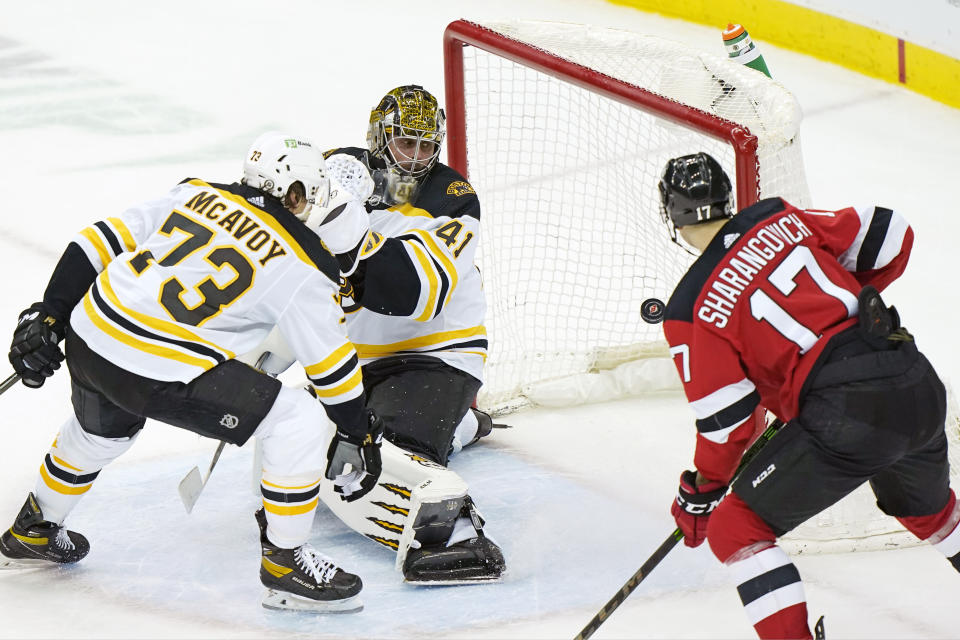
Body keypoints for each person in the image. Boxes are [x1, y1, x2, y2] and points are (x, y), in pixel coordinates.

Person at [0, 132, 384, 613]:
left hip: (91, 333)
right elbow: (333, 370)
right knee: (300, 419)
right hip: (156, 368)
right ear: (298, 193)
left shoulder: (197, 192)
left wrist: (51, 314)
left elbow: (98, 239)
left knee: (100, 433)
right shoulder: (304, 263)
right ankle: (286, 564)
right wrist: (358, 431)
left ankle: (34, 528)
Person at [658, 152, 959, 639]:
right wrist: (844, 312)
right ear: (728, 200)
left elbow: (730, 423)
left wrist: (701, 492)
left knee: (735, 528)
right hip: (912, 377)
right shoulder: (776, 217)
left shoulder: (689, 308)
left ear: (670, 214)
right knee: (929, 510)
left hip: (847, 414)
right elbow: (889, 233)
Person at [288, 84, 502, 583]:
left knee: (379, 451)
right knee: (296, 435)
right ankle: (463, 427)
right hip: (355, 360)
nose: (418, 158)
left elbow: (413, 294)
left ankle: (455, 534)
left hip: (435, 355)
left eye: (428, 145)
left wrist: (345, 232)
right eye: (406, 143)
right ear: (379, 138)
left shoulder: (453, 199)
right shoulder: (340, 170)